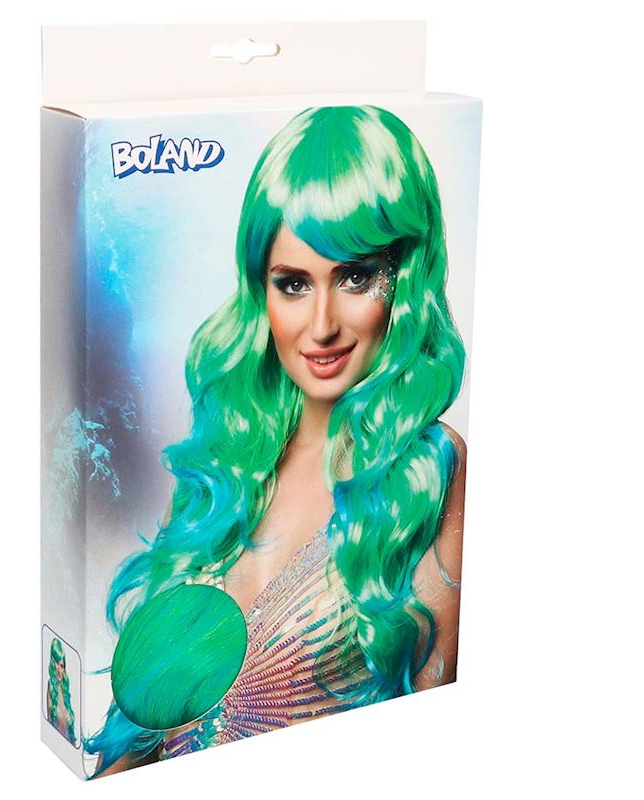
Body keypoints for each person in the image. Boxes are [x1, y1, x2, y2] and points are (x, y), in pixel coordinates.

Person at [86, 105, 467, 776]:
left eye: (355, 276)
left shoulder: (428, 471)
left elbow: (437, 734)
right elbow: (140, 733)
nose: (321, 325)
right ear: (260, 290)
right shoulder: (222, 469)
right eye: (293, 284)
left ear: (406, 277)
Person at [46, 638, 77, 746]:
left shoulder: (65, 686)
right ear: (52, 665)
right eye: (56, 665)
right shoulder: (51, 686)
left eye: (62, 666)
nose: (59, 670)